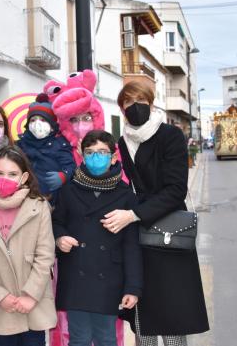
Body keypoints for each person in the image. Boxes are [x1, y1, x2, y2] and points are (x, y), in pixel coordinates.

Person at [106, 81, 209, 346]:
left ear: (151, 104)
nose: (135, 106)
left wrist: (134, 214)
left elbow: (176, 189)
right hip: (138, 235)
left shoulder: (169, 136)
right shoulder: (122, 140)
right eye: (128, 102)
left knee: (172, 314)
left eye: (140, 100)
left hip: (169, 232)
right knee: (143, 312)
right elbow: (127, 184)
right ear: (122, 107)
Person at [52, 130, 142, 346]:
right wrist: (59, 238)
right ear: (82, 156)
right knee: (78, 338)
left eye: (102, 152)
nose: (95, 157)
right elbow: (56, 222)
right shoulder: (68, 189)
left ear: (113, 157)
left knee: (106, 338)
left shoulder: (126, 194)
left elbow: (132, 246)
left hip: (109, 280)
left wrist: (133, 288)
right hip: (76, 276)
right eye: (90, 152)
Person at [0, 146, 57, 346]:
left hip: (32, 305)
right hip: (1, 306)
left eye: (12, 174)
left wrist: (30, 295)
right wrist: (0, 296)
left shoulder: (38, 206)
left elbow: (45, 255)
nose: (5, 178)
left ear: (24, 177)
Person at [16, 93, 76, 205]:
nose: (37, 124)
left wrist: (63, 176)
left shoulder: (60, 144)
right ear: (27, 124)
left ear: (52, 125)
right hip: (25, 200)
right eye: (33, 120)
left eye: (43, 120)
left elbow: (70, 166)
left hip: (52, 200)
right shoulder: (20, 145)